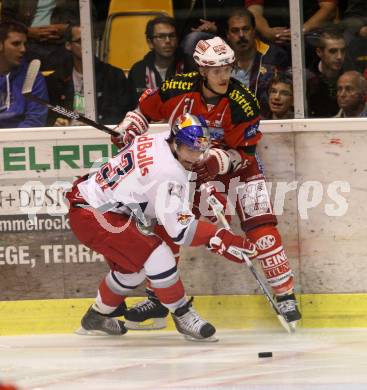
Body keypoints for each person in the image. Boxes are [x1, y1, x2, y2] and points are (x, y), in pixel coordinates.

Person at [113, 36, 302, 330]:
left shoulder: (243, 101)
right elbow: (143, 112)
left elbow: (247, 152)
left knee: (260, 224)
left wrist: (218, 161)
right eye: (216, 70)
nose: (224, 76)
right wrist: (129, 128)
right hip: (192, 169)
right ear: (202, 70)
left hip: (239, 168)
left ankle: (285, 294)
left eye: (228, 68)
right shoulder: (177, 87)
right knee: (169, 225)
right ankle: (159, 299)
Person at [66, 113, 257, 341]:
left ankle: (95, 317)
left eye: (199, 151)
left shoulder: (160, 138)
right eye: (190, 150)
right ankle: (183, 315)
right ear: (176, 142)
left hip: (93, 203)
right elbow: (181, 232)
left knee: (132, 271)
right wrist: (221, 238)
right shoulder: (167, 173)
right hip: (95, 214)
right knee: (158, 254)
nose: (195, 157)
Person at [46, 25, 129, 126]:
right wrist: (56, 123)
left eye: (90, 40)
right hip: (68, 137)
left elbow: (120, 116)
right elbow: (50, 116)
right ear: (68, 45)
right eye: (79, 41)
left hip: (101, 135)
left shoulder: (114, 76)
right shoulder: (56, 80)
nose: (86, 45)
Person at [225, 7, 289, 109]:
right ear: (228, 35)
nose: (241, 35)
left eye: (246, 29)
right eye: (235, 31)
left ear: (254, 31)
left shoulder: (274, 56)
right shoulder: (219, 60)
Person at [1, 0, 82, 71]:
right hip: (27, 41)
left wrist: (68, 29)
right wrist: (26, 31)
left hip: (63, 43)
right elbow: (6, 20)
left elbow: (91, 21)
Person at [126, 15, 187, 109]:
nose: (168, 41)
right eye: (161, 36)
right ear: (150, 43)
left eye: (172, 36)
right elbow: (131, 108)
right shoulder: (138, 71)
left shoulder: (190, 66)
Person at [0, 20, 48, 128]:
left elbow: (36, 121)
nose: (23, 49)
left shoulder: (32, 76)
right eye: (16, 44)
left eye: (24, 44)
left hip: (22, 141)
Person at [244, 0, 338, 44]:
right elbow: (254, 11)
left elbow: (329, 8)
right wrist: (267, 31)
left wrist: (301, 30)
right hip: (272, 36)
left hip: (311, 34)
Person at [307, 27, 346, 117]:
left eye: (343, 51)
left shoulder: (351, 74)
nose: (339, 57)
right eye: (333, 51)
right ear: (319, 52)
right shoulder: (307, 79)